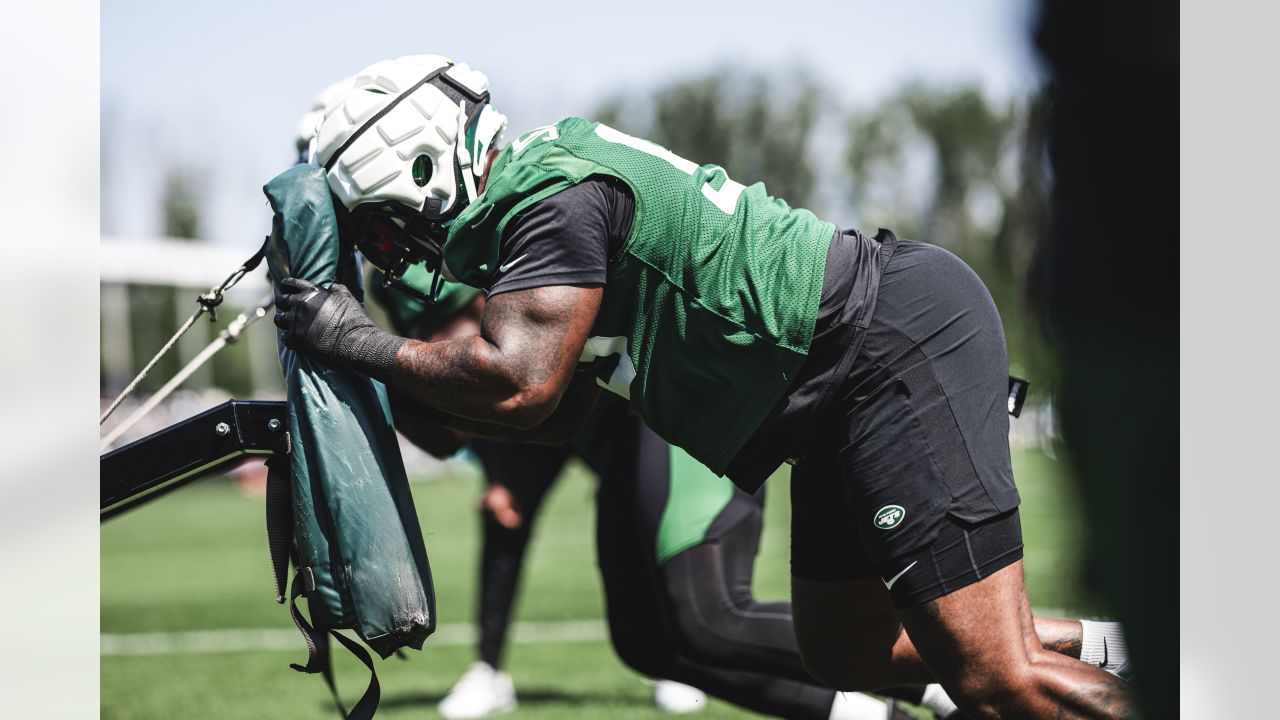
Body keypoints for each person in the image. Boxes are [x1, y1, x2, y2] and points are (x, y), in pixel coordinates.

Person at [279, 55, 1133, 718]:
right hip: (840, 382)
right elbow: (557, 417)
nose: (390, 253)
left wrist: (356, 341)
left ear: (418, 166)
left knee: (995, 681)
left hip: (881, 346)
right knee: (844, 648)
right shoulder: (535, 198)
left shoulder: (545, 195)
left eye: (381, 228)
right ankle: (1118, 648)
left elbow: (523, 382)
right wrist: (388, 383)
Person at [369, 269, 946, 720]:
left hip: (678, 394)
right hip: (624, 430)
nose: (434, 343)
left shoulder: (507, 267)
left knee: (711, 615)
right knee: (646, 642)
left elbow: (480, 389)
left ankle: (954, 672)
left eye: (443, 326)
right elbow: (464, 414)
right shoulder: (399, 271)